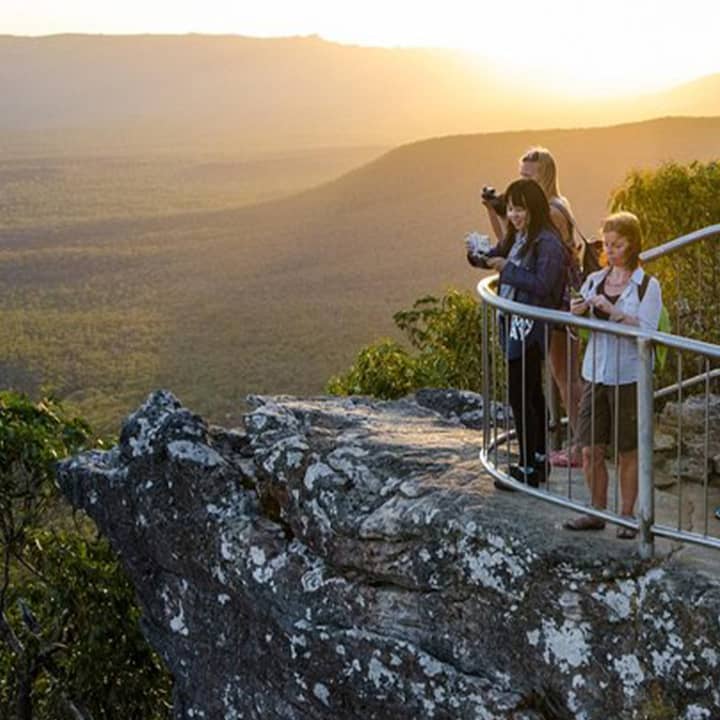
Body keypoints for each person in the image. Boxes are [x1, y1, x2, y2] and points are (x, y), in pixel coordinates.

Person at [483, 147, 585, 469]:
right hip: (549, 303)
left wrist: (504, 264)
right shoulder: (553, 206)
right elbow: (515, 243)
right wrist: (496, 210)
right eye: (521, 174)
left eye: (529, 176)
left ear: (545, 175)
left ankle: (582, 446)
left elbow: (525, 255)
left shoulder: (551, 213)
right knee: (556, 376)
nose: (523, 179)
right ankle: (566, 445)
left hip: (554, 304)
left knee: (564, 376)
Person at [564, 211, 663, 537]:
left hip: (629, 376)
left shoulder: (648, 286)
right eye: (607, 244)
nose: (611, 250)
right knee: (590, 448)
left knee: (627, 451)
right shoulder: (594, 280)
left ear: (632, 245)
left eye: (617, 244)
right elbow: (574, 326)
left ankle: (626, 517)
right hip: (596, 373)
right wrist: (576, 312)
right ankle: (595, 511)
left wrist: (614, 313)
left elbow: (648, 331)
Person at [469, 178, 568, 489]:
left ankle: (529, 466)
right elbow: (498, 253)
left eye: (520, 209)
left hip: (531, 329)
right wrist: (478, 255)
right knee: (530, 395)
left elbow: (543, 285)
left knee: (522, 396)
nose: (514, 215)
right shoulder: (522, 236)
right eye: (511, 208)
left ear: (534, 208)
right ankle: (536, 461)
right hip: (516, 324)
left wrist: (505, 269)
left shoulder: (548, 243)